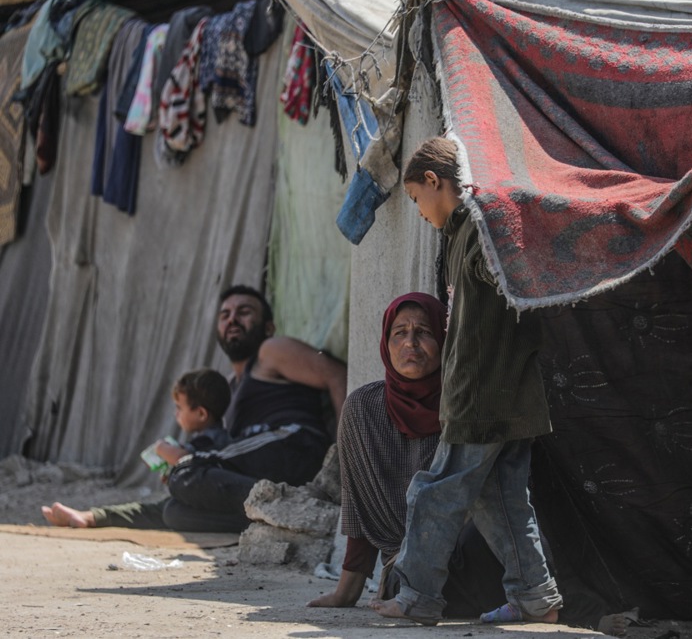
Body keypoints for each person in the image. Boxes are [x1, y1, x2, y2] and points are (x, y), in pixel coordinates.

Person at [372, 137, 563, 626]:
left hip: (481, 393)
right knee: (498, 499)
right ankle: (534, 597)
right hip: (510, 396)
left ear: (435, 182)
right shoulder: (463, 232)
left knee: (434, 491)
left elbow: (511, 281)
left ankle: (417, 597)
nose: (417, 210)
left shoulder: (481, 229)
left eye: (416, 197)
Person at [42, 285, 347, 533]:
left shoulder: (271, 352)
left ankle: (294, 507)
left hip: (293, 448)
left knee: (188, 471)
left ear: (268, 327)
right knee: (178, 509)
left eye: (244, 312)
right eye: (225, 315)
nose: (232, 320)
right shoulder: (229, 386)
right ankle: (94, 517)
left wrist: (344, 458)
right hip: (266, 473)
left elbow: (337, 376)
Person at [306, 292, 507, 617]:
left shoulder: (467, 403)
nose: (410, 343)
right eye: (399, 333)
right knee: (413, 580)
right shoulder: (363, 409)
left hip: (475, 553)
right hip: (409, 574)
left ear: (445, 340)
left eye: (424, 332)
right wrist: (347, 592)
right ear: (386, 343)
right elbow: (360, 507)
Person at [41, 368, 234, 530]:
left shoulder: (213, 440)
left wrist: (161, 448)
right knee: (151, 510)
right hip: (198, 503)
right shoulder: (211, 438)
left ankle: (92, 518)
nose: (176, 414)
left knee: (166, 511)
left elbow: (186, 460)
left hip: (209, 510)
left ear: (201, 413)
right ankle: (91, 517)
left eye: (179, 408)